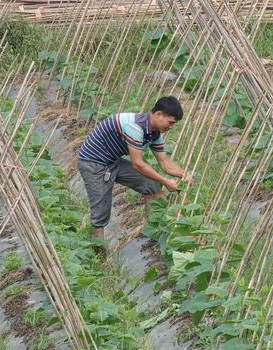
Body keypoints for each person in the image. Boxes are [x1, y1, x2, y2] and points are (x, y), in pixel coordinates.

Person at [78, 96, 191, 242]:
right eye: (170, 122)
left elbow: (164, 162)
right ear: (158, 114)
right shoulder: (135, 127)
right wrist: (166, 181)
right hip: (93, 163)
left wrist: (184, 174)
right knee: (101, 210)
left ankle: (152, 234)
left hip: (112, 161)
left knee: (152, 185)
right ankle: (96, 250)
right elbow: (137, 164)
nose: (171, 127)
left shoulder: (154, 133)